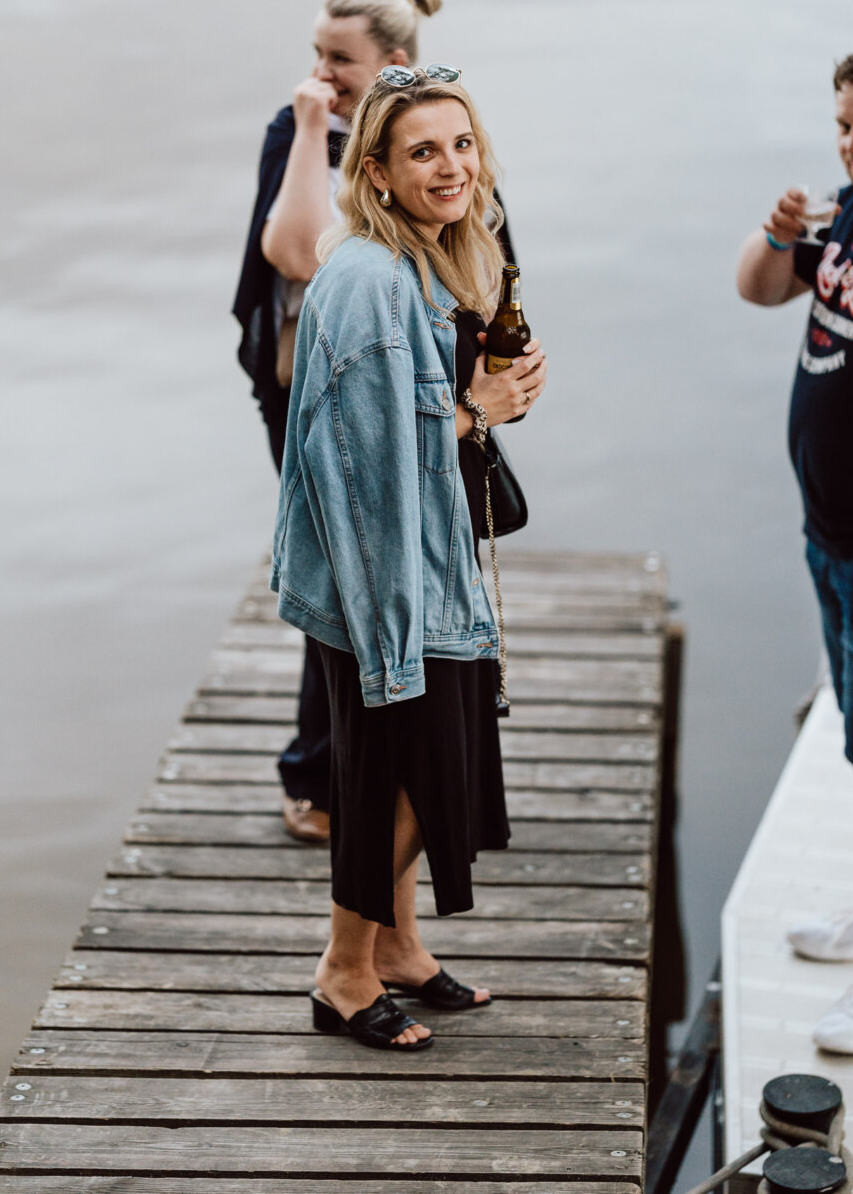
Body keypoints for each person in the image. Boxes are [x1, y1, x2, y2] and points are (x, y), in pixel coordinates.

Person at [270, 65, 547, 1050]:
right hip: (386, 581)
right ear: (377, 171)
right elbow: (377, 467)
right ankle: (343, 973)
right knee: (412, 776)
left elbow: (420, 426)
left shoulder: (427, 259)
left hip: (421, 567)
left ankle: (398, 947)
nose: (453, 166)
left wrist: (482, 397)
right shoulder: (376, 283)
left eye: (462, 144)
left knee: (412, 774)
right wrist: (479, 410)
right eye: (424, 150)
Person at [232, 0, 443, 843]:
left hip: (398, 393)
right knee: (333, 577)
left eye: (340, 60)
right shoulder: (299, 127)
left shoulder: (423, 137)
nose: (320, 70)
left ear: (393, 62)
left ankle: (390, 765)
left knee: (388, 574)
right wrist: (317, 121)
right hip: (302, 393)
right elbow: (296, 253)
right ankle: (316, 773)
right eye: (317, 53)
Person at [736, 51, 853, 1055]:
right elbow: (758, 291)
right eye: (844, 123)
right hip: (828, 533)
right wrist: (777, 231)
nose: (851, 142)